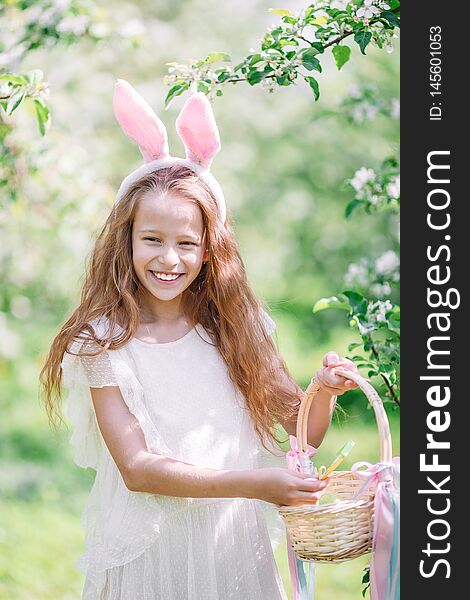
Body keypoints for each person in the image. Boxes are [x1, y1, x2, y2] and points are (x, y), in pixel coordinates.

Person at [40, 80, 358, 600]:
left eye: (187, 243)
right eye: (152, 240)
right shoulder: (103, 344)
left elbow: (302, 435)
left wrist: (320, 392)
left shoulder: (236, 326)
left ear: (211, 249)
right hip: (152, 556)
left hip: (230, 547)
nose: (170, 259)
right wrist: (255, 484)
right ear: (126, 240)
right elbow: (139, 470)